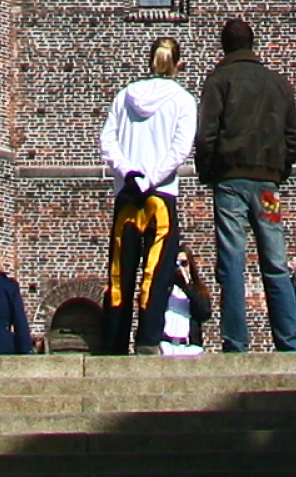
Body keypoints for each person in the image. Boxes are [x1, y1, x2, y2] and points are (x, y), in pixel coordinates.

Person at [192, 16, 296, 353]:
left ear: (224, 47)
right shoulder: (278, 83)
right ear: (253, 43)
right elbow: (293, 137)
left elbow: (207, 135)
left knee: (232, 262)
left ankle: (236, 342)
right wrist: (278, 170)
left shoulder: (218, 81)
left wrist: (209, 173)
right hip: (268, 184)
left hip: (230, 182)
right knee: (275, 261)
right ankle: (290, 342)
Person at [97, 32, 198, 353]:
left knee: (119, 273)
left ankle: (114, 340)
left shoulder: (125, 96)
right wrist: (151, 178)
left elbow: (107, 141)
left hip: (126, 194)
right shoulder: (183, 99)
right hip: (160, 195)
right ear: (178, 65)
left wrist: (130, 172)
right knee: (156, 271)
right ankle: (148, 338)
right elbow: (180, 149)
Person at [159, 249, 213, 356]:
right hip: (165, 346)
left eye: (184, 263)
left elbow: (204, 313)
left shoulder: (198, 290)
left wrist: (187, 287)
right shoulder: (163, 290)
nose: (180, 268)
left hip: (190, 347)